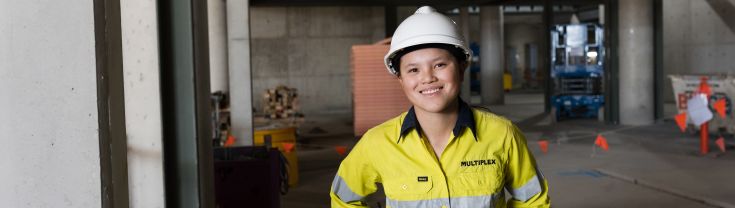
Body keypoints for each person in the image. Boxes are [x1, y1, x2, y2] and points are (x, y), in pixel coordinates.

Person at [330, 6, 550, 208]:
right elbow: (343, 200)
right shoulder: (377, 143)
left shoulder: (502, 135)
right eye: (413, 70)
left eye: (440, 65)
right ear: (401, 79)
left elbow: (533, 200)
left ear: (462, 69)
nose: (427, 78)